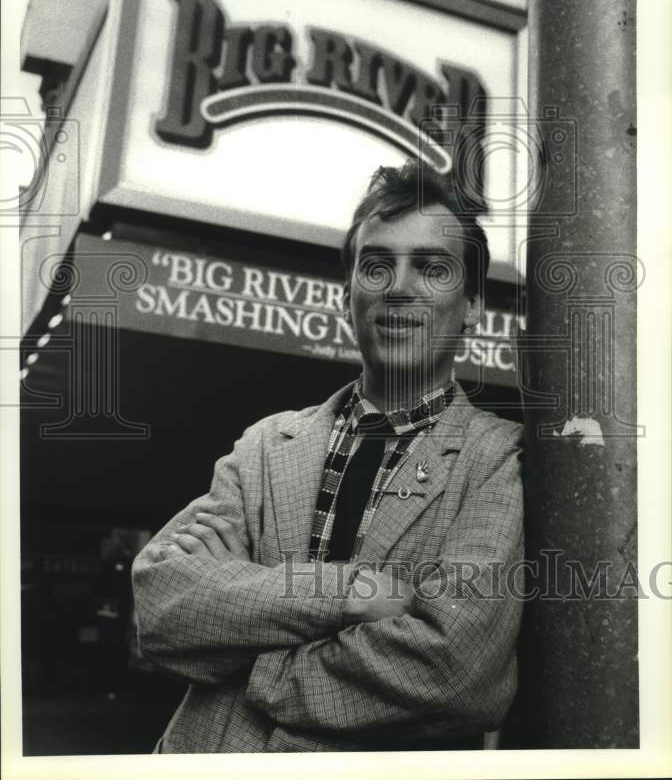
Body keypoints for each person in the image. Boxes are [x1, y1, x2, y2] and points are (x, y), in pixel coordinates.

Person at [131, 159, 524, 754]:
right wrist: (354, 594)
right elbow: (164, 602)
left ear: (471, 304)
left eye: (432, 268)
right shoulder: (267, 444)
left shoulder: (496, 457)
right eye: (377, 265)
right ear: (349, 296)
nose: (399, 286)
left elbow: (457, 674)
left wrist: (256, 658)